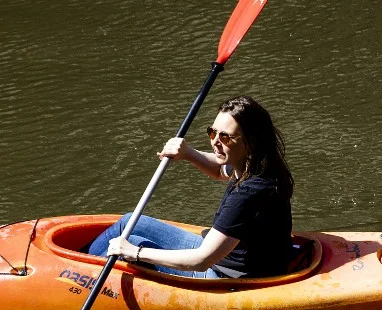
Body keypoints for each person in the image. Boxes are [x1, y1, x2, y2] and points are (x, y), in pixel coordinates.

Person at [85, 95, 293, 279]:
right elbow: (220, 170)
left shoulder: (250, 193)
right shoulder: (257, 165)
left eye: (225, 137)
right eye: (213, 133)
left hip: (221, 274)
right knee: (129, 222)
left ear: (251, 142)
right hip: (222, 257)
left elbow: (201, 261)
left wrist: (135, 253)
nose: (215, 142)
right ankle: (84, 265)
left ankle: (83, 279)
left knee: (133, 243)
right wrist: (188, 153)